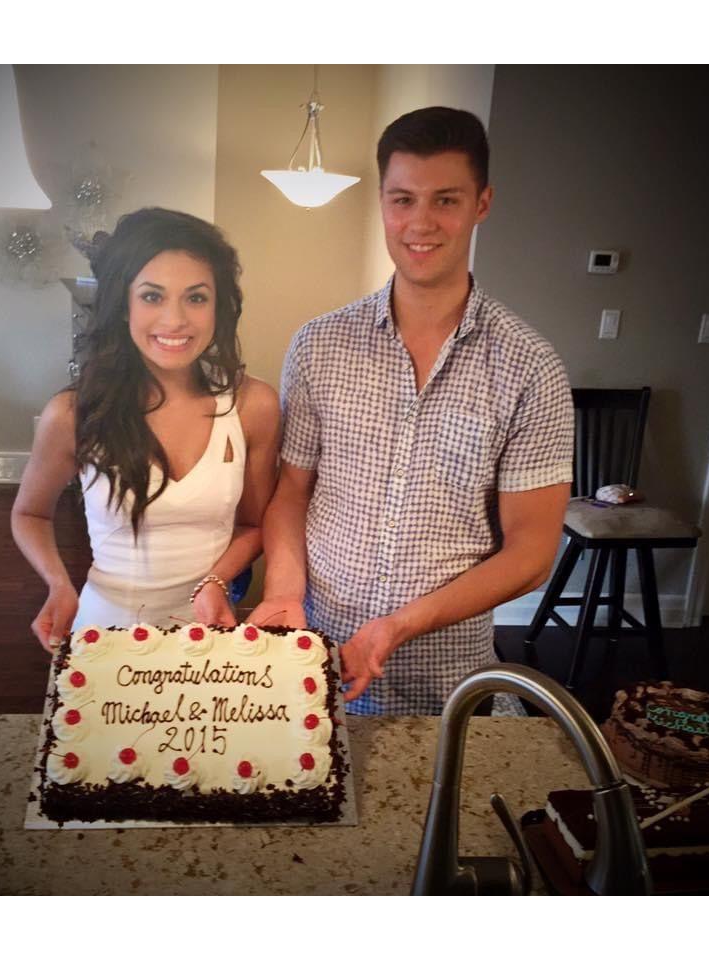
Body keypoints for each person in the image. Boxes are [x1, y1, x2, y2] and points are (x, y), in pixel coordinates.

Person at [250, 107, 574, 715]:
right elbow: (292, 492)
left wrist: (398, 626)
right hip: (318, 658)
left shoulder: (531, 366)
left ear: (482, 203)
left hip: (449, 683)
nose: (420, 223)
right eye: (402, 199)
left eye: (445, 200)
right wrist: (284, 589)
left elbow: (531, 556)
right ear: (381, 202)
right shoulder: (319, 345)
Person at [12, 207, 280, 652]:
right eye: (153, 297)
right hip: (104, 632)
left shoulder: (254, 406)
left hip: (208, 631)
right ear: (122, 304)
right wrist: (58, 585)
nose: (174, 321)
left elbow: (254, 523)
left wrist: (215, 581)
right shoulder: (73, 414)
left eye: (195, 298)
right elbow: (30, 514)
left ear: (219, 307)